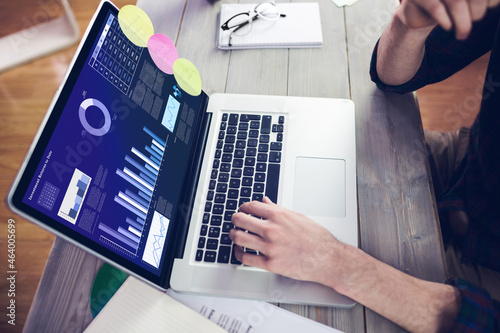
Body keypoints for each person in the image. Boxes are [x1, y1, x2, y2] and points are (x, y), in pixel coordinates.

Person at [229, 0, 500, 332]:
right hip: (469, 168)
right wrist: (412, 23)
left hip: (486, 280)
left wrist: (334, 262)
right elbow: (394, 76)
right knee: (304, 147)